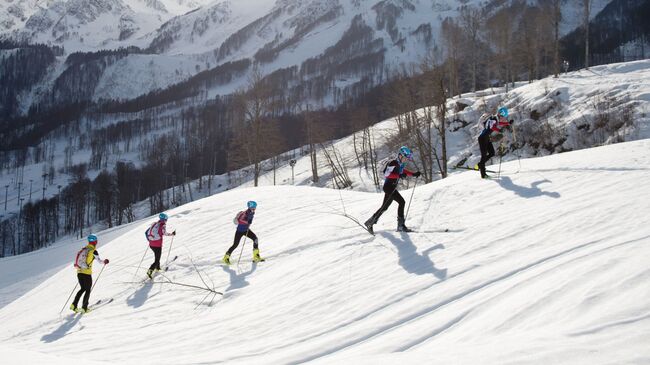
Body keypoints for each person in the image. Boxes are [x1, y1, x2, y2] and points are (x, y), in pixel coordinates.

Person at [364, 146, 421, 234]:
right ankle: (401, 226)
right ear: (401, 155)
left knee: (385, 207)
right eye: (405, 158)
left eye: (407, 159)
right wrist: (399, 176)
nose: (406, 160)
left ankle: (370, 222)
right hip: (388, 187)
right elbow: (387, 174)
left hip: (391, 187)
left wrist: (413, 174)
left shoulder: (400, 164)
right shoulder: (393, 163)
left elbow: (403, 171)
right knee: (402, 202)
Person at [70, 234, 109, 314]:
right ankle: (84, 308)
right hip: (87, 273)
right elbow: (99, 261)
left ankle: (74, 305)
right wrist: (105, 261)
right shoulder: (93, 251)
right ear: (95, 241)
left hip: (79, 272)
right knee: (87, 290)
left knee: (82, 289)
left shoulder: (84, 249)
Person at [477, 107, 512, 179]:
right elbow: (492, 127)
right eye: (503, 116)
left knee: (492, 153)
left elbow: (499, 123)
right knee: (483, 155)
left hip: (486, 138)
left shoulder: (496, 119)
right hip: (482, 138)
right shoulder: (494, 118)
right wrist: (499, 130)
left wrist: (508, 123)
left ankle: (480, 165)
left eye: (504, 117)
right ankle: (483, 174)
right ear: (500, 114)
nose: (503, 118)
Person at [145, 213, 176, 278]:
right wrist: (172, 234)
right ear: (164, 219)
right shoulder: (163, 225)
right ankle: (150, 271)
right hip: (157, 245)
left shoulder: (154, 223)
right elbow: (165, 233)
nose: (166, 221)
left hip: (151, 245)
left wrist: (150, 240)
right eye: (166, 219)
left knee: (157, 256)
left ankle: (157, 268)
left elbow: (146, 232)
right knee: (157, 259)